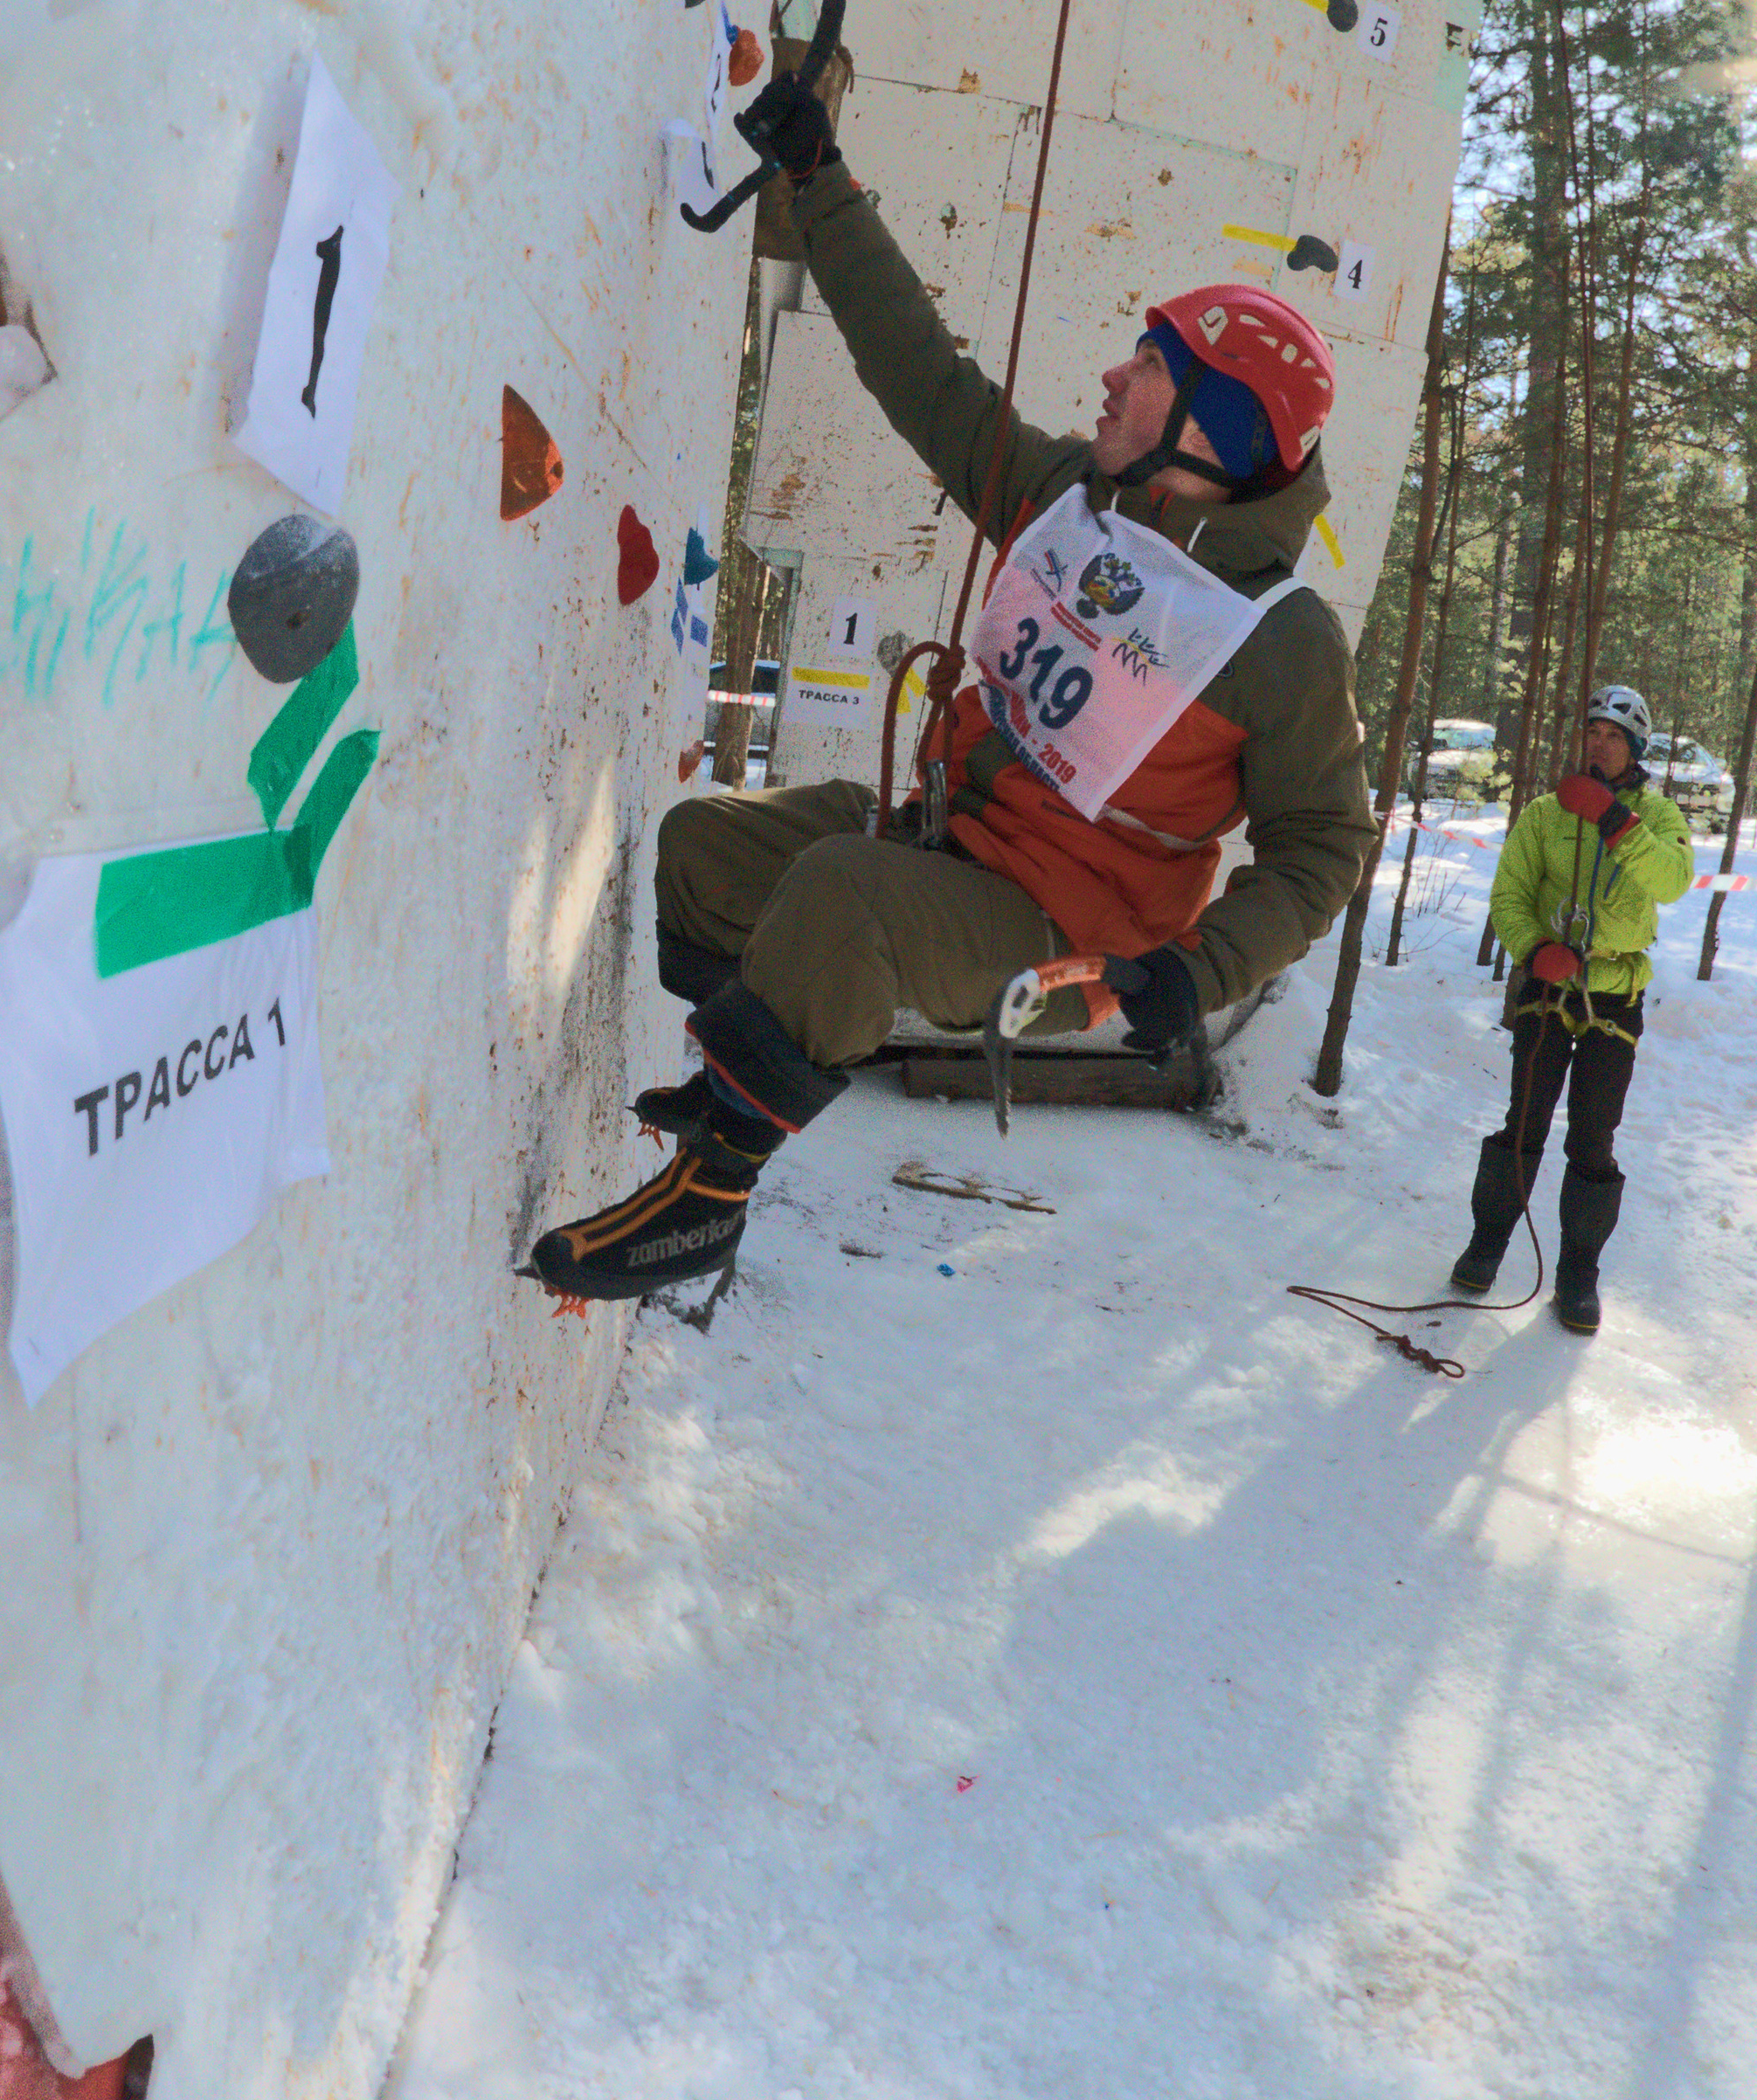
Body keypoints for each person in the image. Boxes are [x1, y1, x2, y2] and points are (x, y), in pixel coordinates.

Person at [529, 70, 1376, 1301]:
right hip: (952, 841)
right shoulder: (1076, 504)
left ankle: (709, 1194)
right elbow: (929, 382)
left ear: (1214, 426)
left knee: (841, 900)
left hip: (1065, 935)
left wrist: (1198, 975)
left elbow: (1322, 850)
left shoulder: (1277, 638)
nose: (1110, 381)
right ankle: (737, 1093)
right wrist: (820, 183)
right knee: (705, 852)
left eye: (1145, 369)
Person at [1449, 682, 1694, 1335]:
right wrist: (1532, 948)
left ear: (1635, 747)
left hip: (1615, 990)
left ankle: (1578, 1271)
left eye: (1614, 736)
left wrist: (1615, 822)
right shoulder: (1544, 815)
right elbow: (1510, 894)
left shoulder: (1661, 818)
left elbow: (1671, 881)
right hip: (1548, 988)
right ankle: (1488, 1244)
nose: (1600, 743)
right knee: (1523, 1117)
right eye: (1592, 732)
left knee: (1594, 1133)